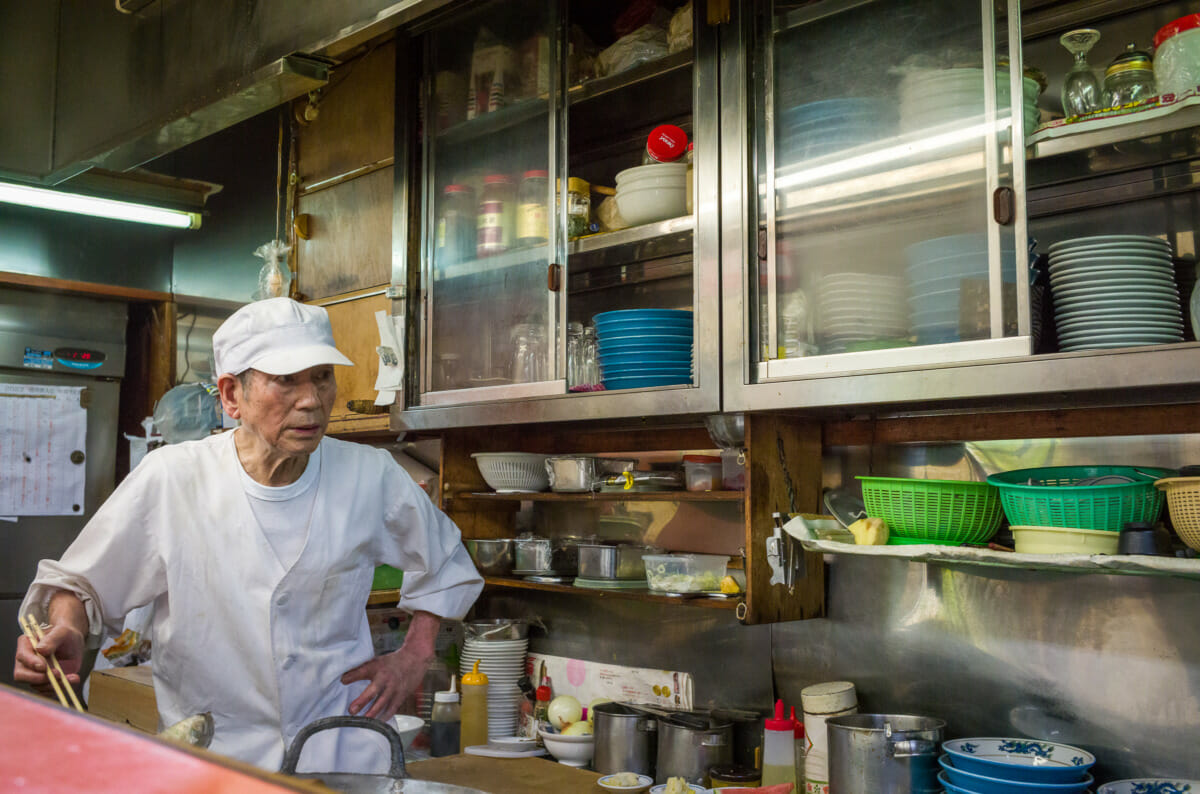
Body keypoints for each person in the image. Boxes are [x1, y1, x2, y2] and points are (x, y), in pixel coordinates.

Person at [13, 298, 483, 772]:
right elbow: (79, 584)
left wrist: (415, 653)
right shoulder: (173, 479)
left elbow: (445, 562)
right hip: (213, 759)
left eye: (322, 376)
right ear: (231, 394)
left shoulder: (370, 476)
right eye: (286, 380)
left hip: (339, 753)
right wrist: (69, 626)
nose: (312, 399)